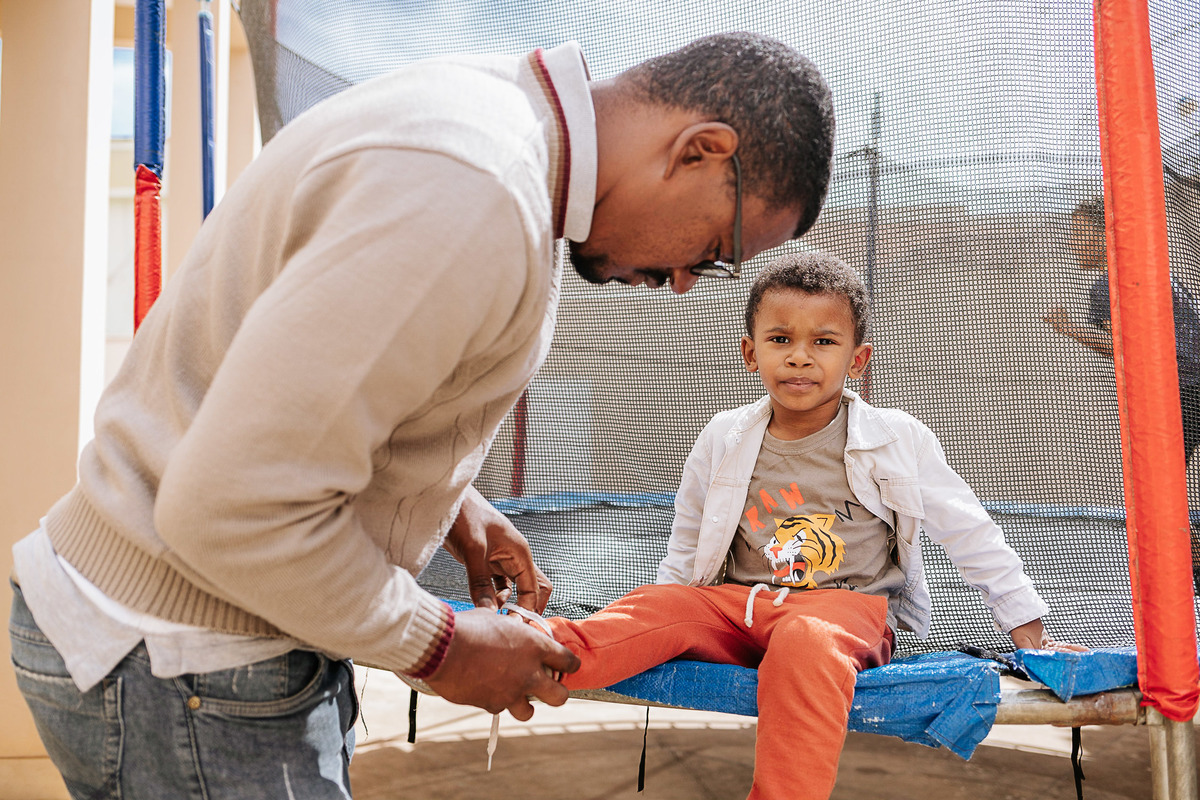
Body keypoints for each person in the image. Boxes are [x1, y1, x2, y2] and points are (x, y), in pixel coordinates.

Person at [8, 33, 837, 799]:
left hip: (190, 644)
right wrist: (441, 645)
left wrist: (448, 503)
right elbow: (234, 504)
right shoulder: (475, 191)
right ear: (700, 151)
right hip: (184, 662)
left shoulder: (487, 118)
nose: (687, 282)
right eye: (715, 251)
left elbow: (300, 392)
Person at [539, 252, 1079, 800]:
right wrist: (669, 607)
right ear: (751, 353)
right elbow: (688, 536)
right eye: (780, 340)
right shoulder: (724, 436)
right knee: (657, 607)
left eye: (823, 342)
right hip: (738, 608)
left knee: (805, 640)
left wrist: (1026, 625)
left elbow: (969, 531)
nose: (799, 357)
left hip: (844, 613)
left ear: (857, 359)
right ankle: (536, 653)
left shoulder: (895, 439)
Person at [1043, 196, 1200, 588]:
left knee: (1157, 490)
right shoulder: (1154, 270)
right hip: (1189, 385)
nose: (1073, 243)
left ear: (1105, 235)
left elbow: (1120, 344)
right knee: (1164, 488)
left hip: (1175, 391)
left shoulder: (1108, 283)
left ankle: (1189, 565)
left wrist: (1068, 328)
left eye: (1081, 233)